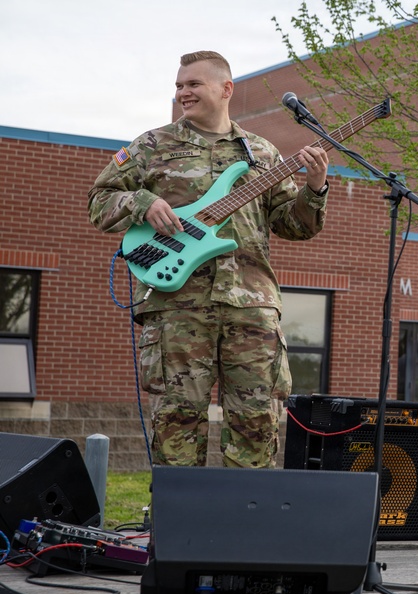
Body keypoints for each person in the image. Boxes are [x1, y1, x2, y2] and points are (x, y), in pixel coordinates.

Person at [88, 51, 331, 468]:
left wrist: (315, 187)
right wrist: (143, 203)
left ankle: (249, 523)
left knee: (256, 424)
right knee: (177, 426)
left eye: (193, 84)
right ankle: (177, 525)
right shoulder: (151, 145)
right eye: (180, 85)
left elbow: (295, 226)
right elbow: (99, 202)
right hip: (177, 306)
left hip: (252, 309)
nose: (183, 92)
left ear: (225, 89)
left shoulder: (261, 153)